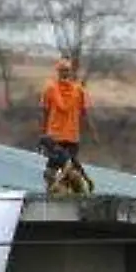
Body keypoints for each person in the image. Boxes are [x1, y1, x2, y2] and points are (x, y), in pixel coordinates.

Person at [40, 57, 92, 187]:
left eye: (66, 70)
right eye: (64, 70)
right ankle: (78, 187)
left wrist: (44, 132)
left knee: (53, 169)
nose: (65, 73)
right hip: (68, 136)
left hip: (57, 136)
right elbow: (84, 113)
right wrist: (91, 131)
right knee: (67, 168)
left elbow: (44, 112)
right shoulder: (78, 90)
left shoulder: (51, 89)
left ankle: (56, 192)